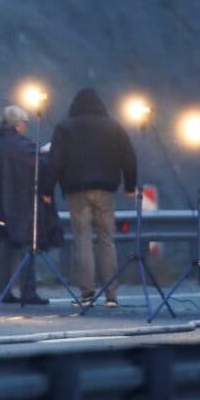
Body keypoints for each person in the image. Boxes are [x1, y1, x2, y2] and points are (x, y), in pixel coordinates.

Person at [46, 88, 136, 307]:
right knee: (107, 240)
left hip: (77, 192)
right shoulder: (113, 126)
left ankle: (87, 294)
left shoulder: (65, 128)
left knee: (83, 240)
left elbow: (55, 160)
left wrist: (47, 190)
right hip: (105, 191)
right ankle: (111, 295)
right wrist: (130, 186)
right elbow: (129, 155)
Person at [0, 106, 62, 305]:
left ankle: (3, 291)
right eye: (24, 124)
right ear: (18, 124)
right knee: (26, 246)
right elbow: (35, 164)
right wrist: (45, 152)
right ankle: (27, 291)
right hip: (20, 204)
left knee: (5, 249)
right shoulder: (19, 144)